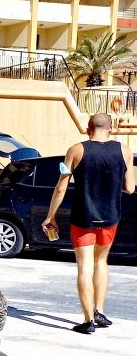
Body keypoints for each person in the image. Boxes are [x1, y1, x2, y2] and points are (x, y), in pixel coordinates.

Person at [43, 113, 135, 334]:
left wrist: (50, 216)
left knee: (85, 266)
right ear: (110, 129)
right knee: (101, 262)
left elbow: (61, 187)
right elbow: (130, 188)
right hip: (111, 216)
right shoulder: (124, 151)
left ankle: (87, 321)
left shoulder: (76, 150)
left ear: (87, 128)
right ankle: (99, 312)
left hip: (83, 217)